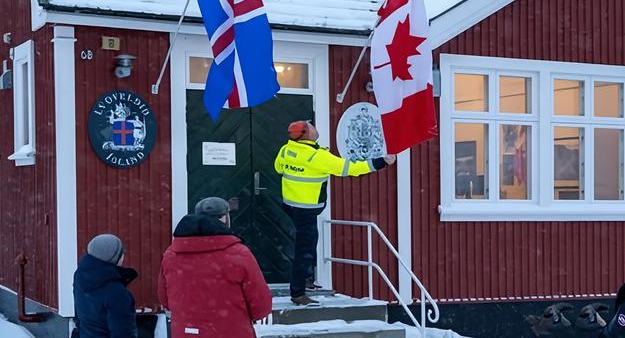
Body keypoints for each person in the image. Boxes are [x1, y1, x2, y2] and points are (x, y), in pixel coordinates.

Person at [275, 119, 395, 305]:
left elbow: (278, 168)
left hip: (291, 207)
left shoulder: (285, 150)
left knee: (307, 244)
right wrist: (381, 162)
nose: (315, 128)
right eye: (312, 126)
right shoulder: (318, 157)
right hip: (307, 211)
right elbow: (351, 169)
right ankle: (298, 293)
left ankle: (307, 278)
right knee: (304, 250)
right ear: (306, 134)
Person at [158, 197, 272, 338]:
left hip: (187, 333)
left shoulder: (171, 255)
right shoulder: (238, 254)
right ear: (225, 218)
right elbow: (260, 304)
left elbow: (165, 300)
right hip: (231, 332)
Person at [73, 234, 138, 338]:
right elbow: (123, 334)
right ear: (115, 257)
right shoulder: (117, 292)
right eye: (122, 253)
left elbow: (80, 319)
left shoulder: (80, 277)